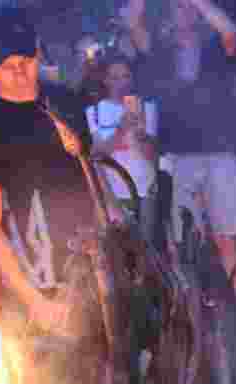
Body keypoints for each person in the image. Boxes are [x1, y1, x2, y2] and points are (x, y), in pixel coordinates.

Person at [0, 8, 122, 361]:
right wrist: (34, 301)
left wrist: (120, 228)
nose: (20, 72)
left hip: (103, 265)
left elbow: (90, 170)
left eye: (27, 60)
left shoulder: (64, 101)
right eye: (7, 65)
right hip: (46, 281)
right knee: (69, 379)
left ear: (38, 50)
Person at [125, 0, 236, 293]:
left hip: (219, 151)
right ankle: (193, 300)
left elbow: (230, 31)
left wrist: (198, 2)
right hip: (176, 155)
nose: (185, 11)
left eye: (189, 6)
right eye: (178, 6)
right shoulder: (161, 50)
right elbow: (132, 23)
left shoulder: (215, 47)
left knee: (226, 234)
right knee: (184, 238)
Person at [86, 53, 159, 246]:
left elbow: (152, 157)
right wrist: (120, 130)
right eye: (115, 78)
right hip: (112, 194)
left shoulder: (147, 108)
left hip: (144, 191)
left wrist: (140, 132)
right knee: (117, 250)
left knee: (145, 249)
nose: (121, 83)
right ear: (105, 80)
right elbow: (98, 155)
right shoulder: (95, 112)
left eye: (126, 76)